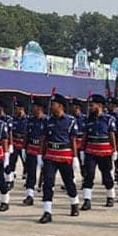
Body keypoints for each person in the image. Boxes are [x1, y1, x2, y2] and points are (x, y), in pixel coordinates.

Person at [38, 94, 81, 224]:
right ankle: (47, 211)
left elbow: (73, 140)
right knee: (48, 183)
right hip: (50, 155)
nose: (51, 107)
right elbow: (43, 139)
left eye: (53, 104)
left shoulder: (70, 121)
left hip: (64, 155)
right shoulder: (47, 121)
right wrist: (40, 155)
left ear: (60, 106)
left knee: (68, 183)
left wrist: (75, 158)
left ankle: (74, 203)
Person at [80, 94, 118, 209]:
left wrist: (114, 150)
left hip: (104, 151)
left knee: (106, 175)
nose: (90, 108)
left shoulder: (108, 119)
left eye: (92, 105)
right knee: (89, 175)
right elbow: (85, 136)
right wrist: (82, 150)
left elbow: (112, 136)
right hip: (91, 150)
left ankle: (110, 196)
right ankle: (87, 200)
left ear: (99, 106)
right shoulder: (88, 119)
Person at [23, 96, 47, 206]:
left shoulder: (47, 121)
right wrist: (24, 148)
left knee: (46, 173)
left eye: (34, 107)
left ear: (39, 108)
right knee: (30, 172)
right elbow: (26, 135)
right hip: (32, 148)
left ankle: (46, 194)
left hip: (44, 150)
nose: (32, 109)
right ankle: (29, 195)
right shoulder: (30, 121)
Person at [7, 97, 29, 188]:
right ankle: (10, 180)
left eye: (17, 109)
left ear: (22, 109)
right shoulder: (13, 119)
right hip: (15, 143)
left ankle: (28, 180)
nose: (15, 111)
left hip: (24, 144)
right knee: (11, 162)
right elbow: (10, 132)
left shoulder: (28, 120)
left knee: (27, 163)